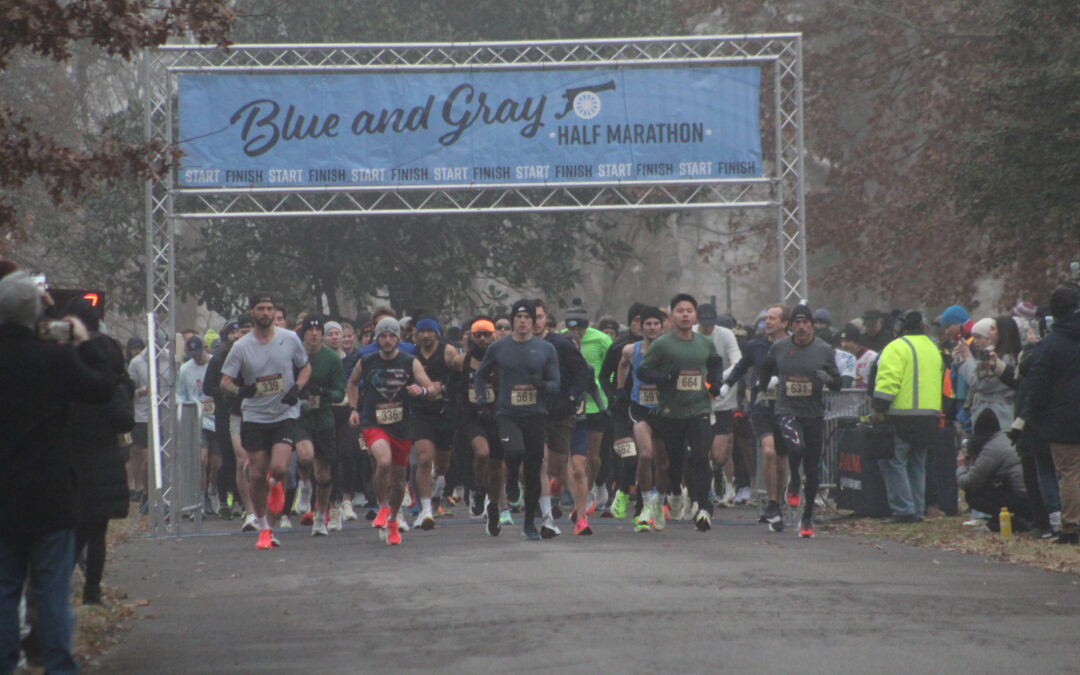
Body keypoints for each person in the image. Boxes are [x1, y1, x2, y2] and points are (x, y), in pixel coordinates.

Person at [1, 269, 118, 673]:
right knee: (52, 589)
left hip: (3, 492)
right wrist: (88, 343)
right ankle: (57, 663)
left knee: (5, 588)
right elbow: (102, 386)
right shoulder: (53, 357)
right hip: (50, 489)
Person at [220, 292, 312, 550]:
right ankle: (264, 527)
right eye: (260, 308)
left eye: (270, 308)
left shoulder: (290, 339)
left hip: (284, 414)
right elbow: (224, 382)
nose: (266, 313)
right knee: (258, 473)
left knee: (280, 469)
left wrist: (297, 388)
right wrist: (241, 391)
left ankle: (276, 494)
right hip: (255, 416)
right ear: (252, 313)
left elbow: (305, 367)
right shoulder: (241, 347)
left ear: (275, 313)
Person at [62, 295, 134, 607]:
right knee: (97, 531)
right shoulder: (110, 369)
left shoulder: (65, 362)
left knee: (74, 528)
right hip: (105, 454)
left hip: (72, 456)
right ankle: (92, 590)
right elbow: (124, 419)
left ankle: (58, 587)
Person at [346, 317, 441, 545]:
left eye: (391, 336)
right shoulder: (367, 361)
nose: (387, 340)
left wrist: (423, 391)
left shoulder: (409, 361)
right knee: (383, 462)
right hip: (373, 422)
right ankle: (382, 506)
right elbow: (351, 383)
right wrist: (352, 409)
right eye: (383, 336)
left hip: (401, 426)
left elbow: (432, 388)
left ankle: (392, 520)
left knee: (399, 481)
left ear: (398, 338)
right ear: (377, 339)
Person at [475, 299, 560, 540]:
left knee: (534, 471)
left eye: (527, 318)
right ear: (513, 321)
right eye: (518, 317)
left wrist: (542, 384)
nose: (523, 322)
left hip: (535, 415)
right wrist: (482, 400)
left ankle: (530, 524)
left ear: (534, 322)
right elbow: (481, 374)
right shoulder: (499, 347)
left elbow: (556, 384)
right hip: (507, 413)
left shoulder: (545, 349)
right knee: (513, 452)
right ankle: (511, 478)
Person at [638, 293, 724, 532]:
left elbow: (715, 362)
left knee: (700, 457)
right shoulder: (662, 344)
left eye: (689, 310)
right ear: (672, 315)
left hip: (699, 408)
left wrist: (715, 382)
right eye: (680, 310)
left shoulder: (704, 342)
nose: (685, 314)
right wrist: (665, 377)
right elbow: (643, 372)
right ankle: (675, 490)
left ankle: (705, 508)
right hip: (671, 412)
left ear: (695, 315)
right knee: (673, 465)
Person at [757, 304, 842, 538]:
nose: (802, 327)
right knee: (795, 447)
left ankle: (807, 519)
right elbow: (765, 369)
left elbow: (838, 382)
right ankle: (794, 479)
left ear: (812, 325)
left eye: (806, 323)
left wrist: (828, 379)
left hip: (813, 413)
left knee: (813, 468)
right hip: (786, 411)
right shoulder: (779, 347)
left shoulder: (823, 349)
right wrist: (763, 390)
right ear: (791, 326)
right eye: (797, 323)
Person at [871, 310, 944, 524]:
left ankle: (904, 509)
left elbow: (888, 381)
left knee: (895, 462)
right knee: (917, 464)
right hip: (929, 416)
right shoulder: (933, 348)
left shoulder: (896, 347)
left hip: (901, 415)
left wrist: (879, 408)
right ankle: (917, 508)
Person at [723, 304, 789, 531]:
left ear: (784, 323)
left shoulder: (791, 346)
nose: (767, 322)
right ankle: (771, 503)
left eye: (772, 319)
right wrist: (727, 384)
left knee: (781, 461)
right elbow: (741, 367)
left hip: (785, 407)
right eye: (765, 318)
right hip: (761, 407)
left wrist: (781, 381)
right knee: (768, 451)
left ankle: (777, 502)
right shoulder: (755, 345)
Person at [1025, 285, 1080, 545]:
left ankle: (1070, 526)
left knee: (1069, 473)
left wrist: (1034, 416)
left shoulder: (1050, 344)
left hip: (1063, 418)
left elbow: (1038, 384)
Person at [616, 306, 668, 531]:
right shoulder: (630, 349)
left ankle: (659, 503)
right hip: (640, 409)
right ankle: (646, 503)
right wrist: (620, 389)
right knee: (645, 455)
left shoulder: (669, 349)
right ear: (642, 326)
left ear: (662, 326)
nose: (652, 327)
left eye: (656, 323)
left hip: (665, 411)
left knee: (664, 464)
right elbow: (623, 365)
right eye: (648, 324)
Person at [294, 317, 344, 537]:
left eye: (317, 330)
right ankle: (304, 485)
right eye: (310, 330)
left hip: (323, 418)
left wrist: (325, 393)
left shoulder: (332, 359)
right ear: (302, 333)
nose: (314, 334)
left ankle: (320, 516)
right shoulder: (294, 355)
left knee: (323, 475)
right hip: (300, 417)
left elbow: (339, 392)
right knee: (305, 457)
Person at [694, 302, 743, 506]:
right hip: (697, 399)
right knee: (700, 449)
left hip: (722, 397)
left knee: (719, 454)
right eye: (704, 324)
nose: (708, 328)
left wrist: (719, 379)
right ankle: (702, 490)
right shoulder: (692, 334)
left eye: (711, 323)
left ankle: (726, 484)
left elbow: (737, 361)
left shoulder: (725, 334)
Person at [410, 317, 456, 530]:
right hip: (421, 412)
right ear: (416, 335)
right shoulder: (411, 354)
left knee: (442, 464)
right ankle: (426, 509)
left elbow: (459, 379)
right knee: (424, 458)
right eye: (422, 332)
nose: (426, 335)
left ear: (437, 333)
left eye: (430, 331)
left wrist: (443, 388)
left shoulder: (448, 352)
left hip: (444, 412)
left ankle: (438, 486)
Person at [957, 410, 1033, 533]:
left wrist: (962, 466)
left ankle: (1013, 521)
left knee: (973, 495)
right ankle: (1006, 519)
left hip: (1023, 499)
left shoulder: (993, 448)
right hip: (1030, 495)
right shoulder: (1003, 439)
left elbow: (970, 482)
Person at [176, 335, 220, 516]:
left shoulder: (215, 364)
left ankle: (212, 489)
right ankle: (199, 499)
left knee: (217, 464)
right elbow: (180, 395)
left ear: (206, 348)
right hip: (198, 421)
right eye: (193, 354)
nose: (197, 357)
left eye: (199, 353)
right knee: (201, 461)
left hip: (217, 419)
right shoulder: (185, 370)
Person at [955, 316, 1020, 431]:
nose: (989, 333)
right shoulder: (994, 355)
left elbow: (980, 383)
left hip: (999, 418)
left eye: (993, 329)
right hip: (992, 416)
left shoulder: (1006, 360)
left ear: (1002, 333)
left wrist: (968, 357)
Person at [837, 324, 877, 390]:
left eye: (847, 341)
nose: (843, 345)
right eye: (842, 342)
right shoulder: (842, 358)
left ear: (857, 342)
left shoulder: (872, 357)